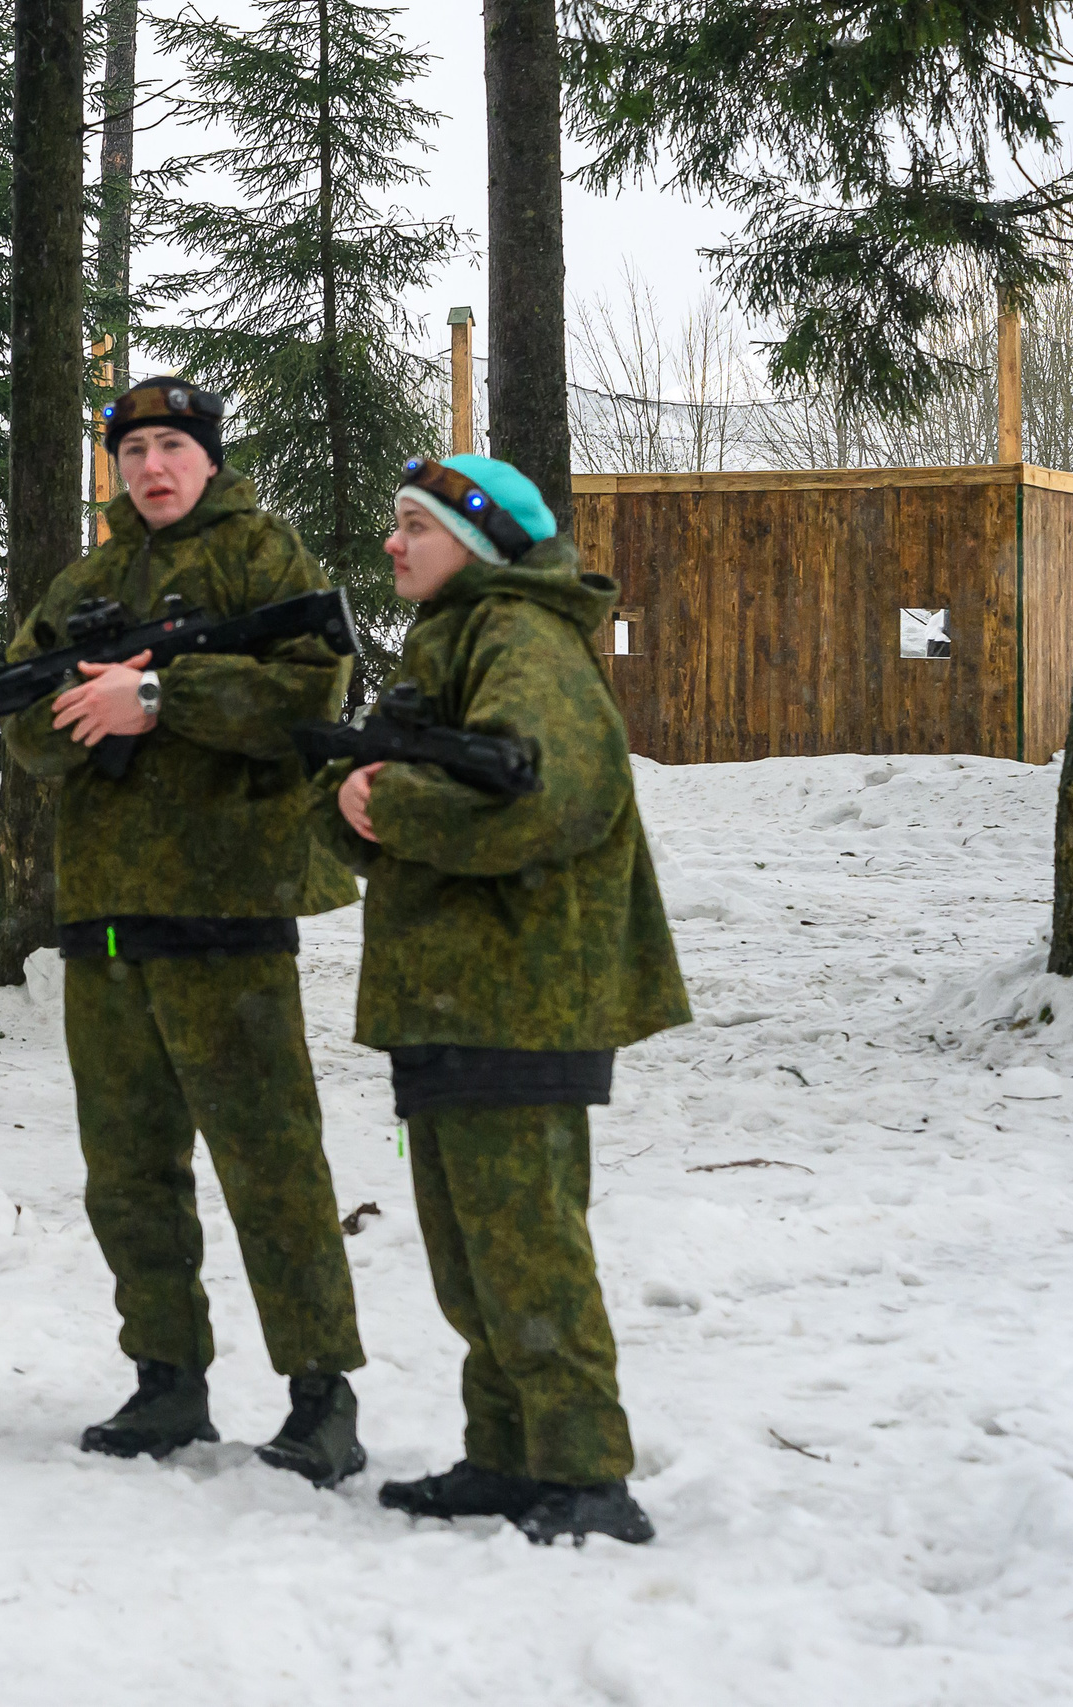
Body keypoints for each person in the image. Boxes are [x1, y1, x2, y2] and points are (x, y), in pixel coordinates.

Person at [313, 453, 692, 1545]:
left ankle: (585, 1476)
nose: (392, 543)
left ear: (474, 545)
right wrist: (352, 801)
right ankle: (506, 1454)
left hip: (518, 994)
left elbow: (555, 798)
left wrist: (394, 805)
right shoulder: (458, 637)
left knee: (524, 1245)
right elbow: (405, 798)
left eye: (412, 526)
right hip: (454, 996)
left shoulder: (521, 640)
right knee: (471, 1252)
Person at [0, 378, 369, 1485]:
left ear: (208, 457)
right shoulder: (89, 580)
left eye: (171, 448)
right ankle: (167, 1379)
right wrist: (85, 711)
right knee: (126, 1169)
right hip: (108, 913)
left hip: (232, 903)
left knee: (270, 1162)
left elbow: (311, 695)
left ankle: (320, 1395)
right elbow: (24, 729)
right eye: (133, 452)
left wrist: (163, 699)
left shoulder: (262, 557)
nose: (152, 469)